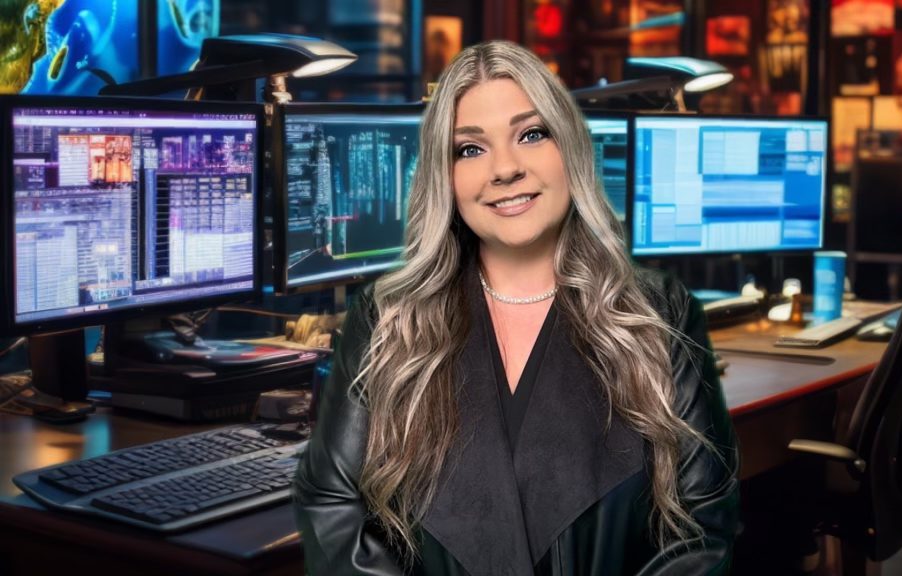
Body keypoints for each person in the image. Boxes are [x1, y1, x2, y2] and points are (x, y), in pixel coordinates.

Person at [293, 40, 739, 575]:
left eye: (531, 134)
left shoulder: (657, 311)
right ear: (445, 176)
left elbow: (703, 532)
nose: (505, 169)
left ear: (568, 147)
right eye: (470, 149)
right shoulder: (387, 317)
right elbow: (331, 508)